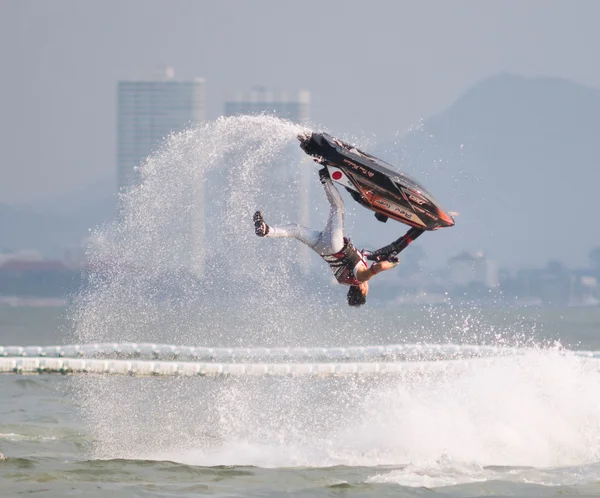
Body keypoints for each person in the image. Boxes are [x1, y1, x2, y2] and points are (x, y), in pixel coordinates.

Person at [253, 168, 400, 307]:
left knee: (338, 207)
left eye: (366, 291)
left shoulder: (360, 278)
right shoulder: (344, 280)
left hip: (335, 246)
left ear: (363, 290)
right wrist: (382, 255)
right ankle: (267, 231)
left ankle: (325, 176)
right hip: (322, 248)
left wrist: (392, 264)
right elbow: (364, 256)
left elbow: (379, 267)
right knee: (296, 230)